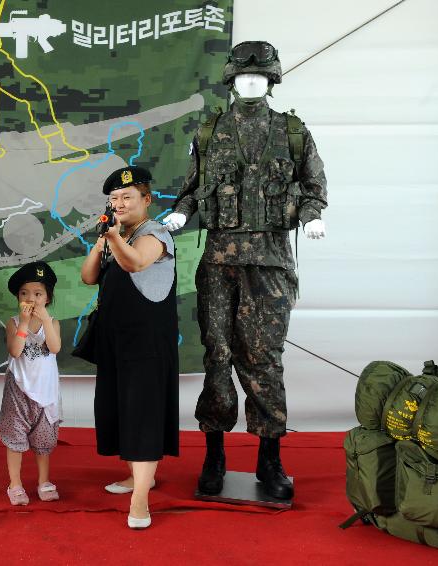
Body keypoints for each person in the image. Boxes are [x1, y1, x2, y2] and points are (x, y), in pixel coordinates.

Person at [162, 41, 328, 500]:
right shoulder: (210, 131)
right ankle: (214, 454)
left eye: (258, 77)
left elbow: (314, 187)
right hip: (218, 265)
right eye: (241, 77)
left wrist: (313, 216)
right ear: (230, 80)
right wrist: (181, 213)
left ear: (272, 80)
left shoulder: (293, 132)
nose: (250, 82)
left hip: (271, 264)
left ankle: (269, 459)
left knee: (264, 361)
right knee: (217, 357)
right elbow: (193, 190)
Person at [80, 166, 180, 529]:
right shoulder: (117, 235)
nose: (119, 203)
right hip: (116, 340)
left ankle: (141, 500)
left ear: (146, 199)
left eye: (127, 197)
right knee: (120, 410)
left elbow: (136, 263)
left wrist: (114, 238)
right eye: (114, 199)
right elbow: (88, 276)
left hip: (146, 343)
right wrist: (103, 239)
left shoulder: (157, 235)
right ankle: (140, 476)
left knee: (142, 415)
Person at [0, 261, 62, 506]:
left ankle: (44, 481)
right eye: (24, 294)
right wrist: (24, 324)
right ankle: (15, 484)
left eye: (38, 294)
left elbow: (55, 347)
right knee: (15, 438)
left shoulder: (53, 323)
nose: (31, 299)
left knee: (43, 441)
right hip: (18, 389)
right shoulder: (14, 323)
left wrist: (45, 320)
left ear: (47, 298)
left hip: (46, 393)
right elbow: (15, 351)